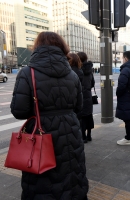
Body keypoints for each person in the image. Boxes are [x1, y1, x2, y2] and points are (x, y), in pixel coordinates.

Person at [10, 31, 88, 199]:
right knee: (72, 175)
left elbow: (19, 111)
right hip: (71, 131)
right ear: (62, 48)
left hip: (42, 132)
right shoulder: (72, 74)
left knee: (43, 181)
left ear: (37, 47)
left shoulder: (27, 73)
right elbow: (79, 107)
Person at [77, 52, 95, 143]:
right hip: (88, 95)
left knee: (82, 117)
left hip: (80, 95)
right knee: (89, 115)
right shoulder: (90, 70)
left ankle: (83, 137)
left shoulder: (77, 70)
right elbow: (92, 83)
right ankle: (89, 135)